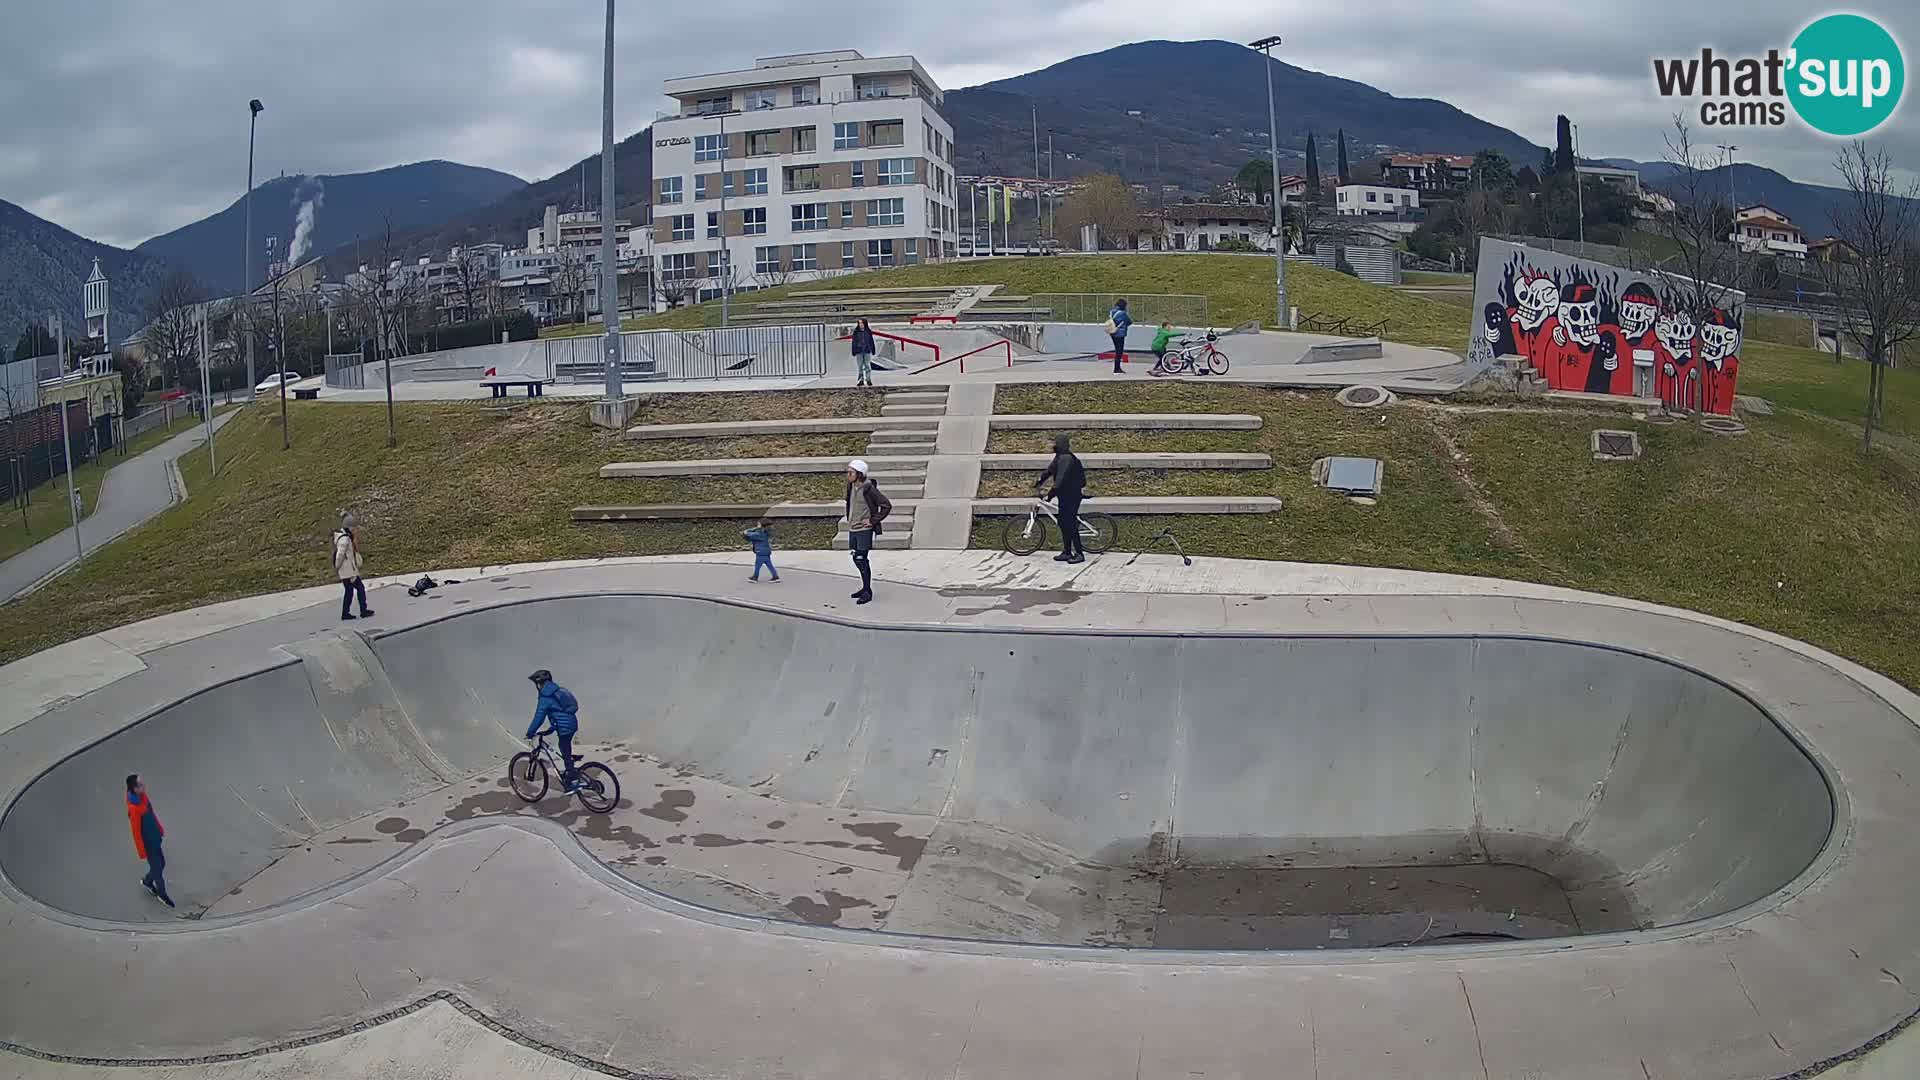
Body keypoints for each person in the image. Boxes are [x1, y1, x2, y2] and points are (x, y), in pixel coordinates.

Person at [525, 669, 582, 791]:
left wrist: (530, 733)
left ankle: (573, 782)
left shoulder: (545, 698)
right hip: (571, 723)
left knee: (564, 748)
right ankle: (570, 766)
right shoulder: (559, 691)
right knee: (565, 747)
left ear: (539, 684)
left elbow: (538, 718)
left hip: (564, 727)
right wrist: (552, 728)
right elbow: (563, 711)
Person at [844, 458, 891, 605]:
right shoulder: (851, 487)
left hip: (864, 530)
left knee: (861, 559)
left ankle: (867, 591)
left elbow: (886, 506)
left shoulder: (869, 489)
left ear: (859, 474)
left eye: (851, 472)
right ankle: (864, 587)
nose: (848, 475)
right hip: (853, 528)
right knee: (855, 557)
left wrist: (872, 521)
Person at [1035, 434, 1087, 563]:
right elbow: (1050, 471)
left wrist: (1050, 494)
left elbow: (1060, 480)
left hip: (1072, 495)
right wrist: (1039, 481)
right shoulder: (1059, 457)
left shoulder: (1066, 458)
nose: (1054, 446)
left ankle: (1079, 554)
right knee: (1063, 523)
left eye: (1056, 443)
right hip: (1064, 494)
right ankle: (1067, 552)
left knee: (1070, 523)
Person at [126, 774, 173, 908]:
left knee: (161, 864)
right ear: (134, 788)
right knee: (157, 869)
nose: (144, 786)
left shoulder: (143, 797)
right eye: (140, 784)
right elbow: (136, 832)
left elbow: (152, 814)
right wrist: (142, 851)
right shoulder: (134, 809)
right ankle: (161, 894)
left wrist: (159, 829)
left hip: (155, 837)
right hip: (148, 843)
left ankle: (147, 880)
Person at [332, 521, 374, 622]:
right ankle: (363, 611)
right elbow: (340, 555)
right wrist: (337, 567)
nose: (355, 530)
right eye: (353, 527)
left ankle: (346, 613)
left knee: (350, 592)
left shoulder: (345, 538)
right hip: (349, 572)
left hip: (348, 571)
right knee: (359, 588)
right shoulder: (345, 540)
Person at [743, 518, 780, 583]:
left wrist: (750, 530)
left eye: (758, 523)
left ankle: (755, 577)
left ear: (761, 525)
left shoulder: (759, 534)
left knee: (758, 565)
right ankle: (775, 577)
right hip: (765, 551)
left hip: (761, 552)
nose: (757, 524)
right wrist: (756, 528)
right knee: (769, 565)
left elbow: (747, 533)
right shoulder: (764, 532)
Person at [1106, 298, 1133, 374]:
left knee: (1117, 350)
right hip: (1120, 334)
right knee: (1119, 351)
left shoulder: (1112, 312)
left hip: (1112, 332)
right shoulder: (1123, 313)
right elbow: (1129, 322)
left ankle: (1117, 368)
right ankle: (1116, 369)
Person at [850, 318, 878, 388]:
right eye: (859, 323)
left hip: (867, 350)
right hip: (859, 351)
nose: (860, 325)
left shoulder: (868, 332)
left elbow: (871, 341)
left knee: (867, 365)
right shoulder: (856, 332)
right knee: (860, 366)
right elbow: (854, 342)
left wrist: (873, 349)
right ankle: (860, 380)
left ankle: (868, 379)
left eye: (862, 323)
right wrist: (853, 350)